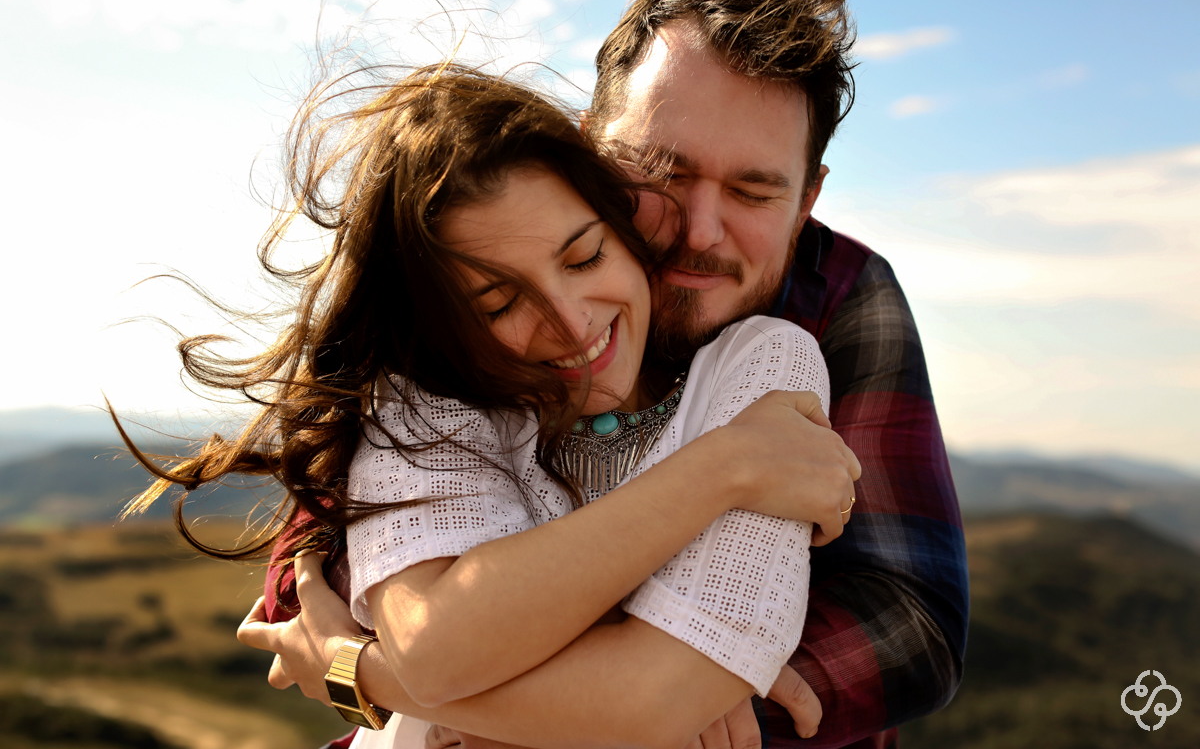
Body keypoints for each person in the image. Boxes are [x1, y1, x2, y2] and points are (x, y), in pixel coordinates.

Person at [253, 0, 969, 748]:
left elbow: (912, 621)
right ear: (592, 145)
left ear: (807, 199)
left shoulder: (835, 304)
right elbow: (323, 548)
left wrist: (711, 696)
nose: (700, 229)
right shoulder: (473, 286)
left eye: (753, 191)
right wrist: (371, 637)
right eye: (662, 170)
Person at [118, 60, 859, 746]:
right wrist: (723, 469)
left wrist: (358, 670)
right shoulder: (427, 407)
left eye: (584, 256)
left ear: (619, 223)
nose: (570, 322)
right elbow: (442, 649)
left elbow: (652, 700)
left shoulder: (765, 366)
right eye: (501, 300)